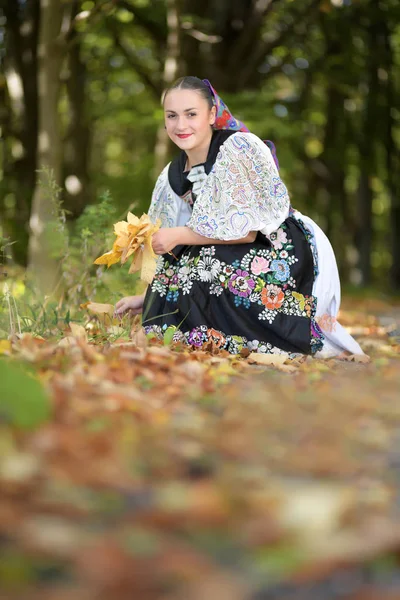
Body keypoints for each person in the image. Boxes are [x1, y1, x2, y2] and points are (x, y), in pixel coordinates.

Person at [115, 76, 363, 357]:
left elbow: (246, 232)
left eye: (191, 114)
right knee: (187, 267)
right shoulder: (172, 176)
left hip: (280, 244)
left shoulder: (237, 149)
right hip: (223, 247)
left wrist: (178, 236)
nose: (181, 125)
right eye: (172, 116)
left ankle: (281, 336)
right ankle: (208, 340)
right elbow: (171, 255)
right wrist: (150, 296)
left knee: (206, 263)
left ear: (211, 114)